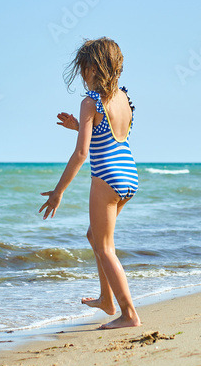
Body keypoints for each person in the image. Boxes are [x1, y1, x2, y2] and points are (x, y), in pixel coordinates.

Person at [39, 37, 141, 329]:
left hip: (106, 178)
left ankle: (129, 313)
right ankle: (107, 300)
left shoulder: (90, 101)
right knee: (94, 237)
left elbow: (82, 153)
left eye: (84, 68)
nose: (82, 75)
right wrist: (78, 125)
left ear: (95, 68)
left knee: (105, 247)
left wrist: (58, 192)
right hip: (128, 176)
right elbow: (107, 132)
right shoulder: (123, 98)